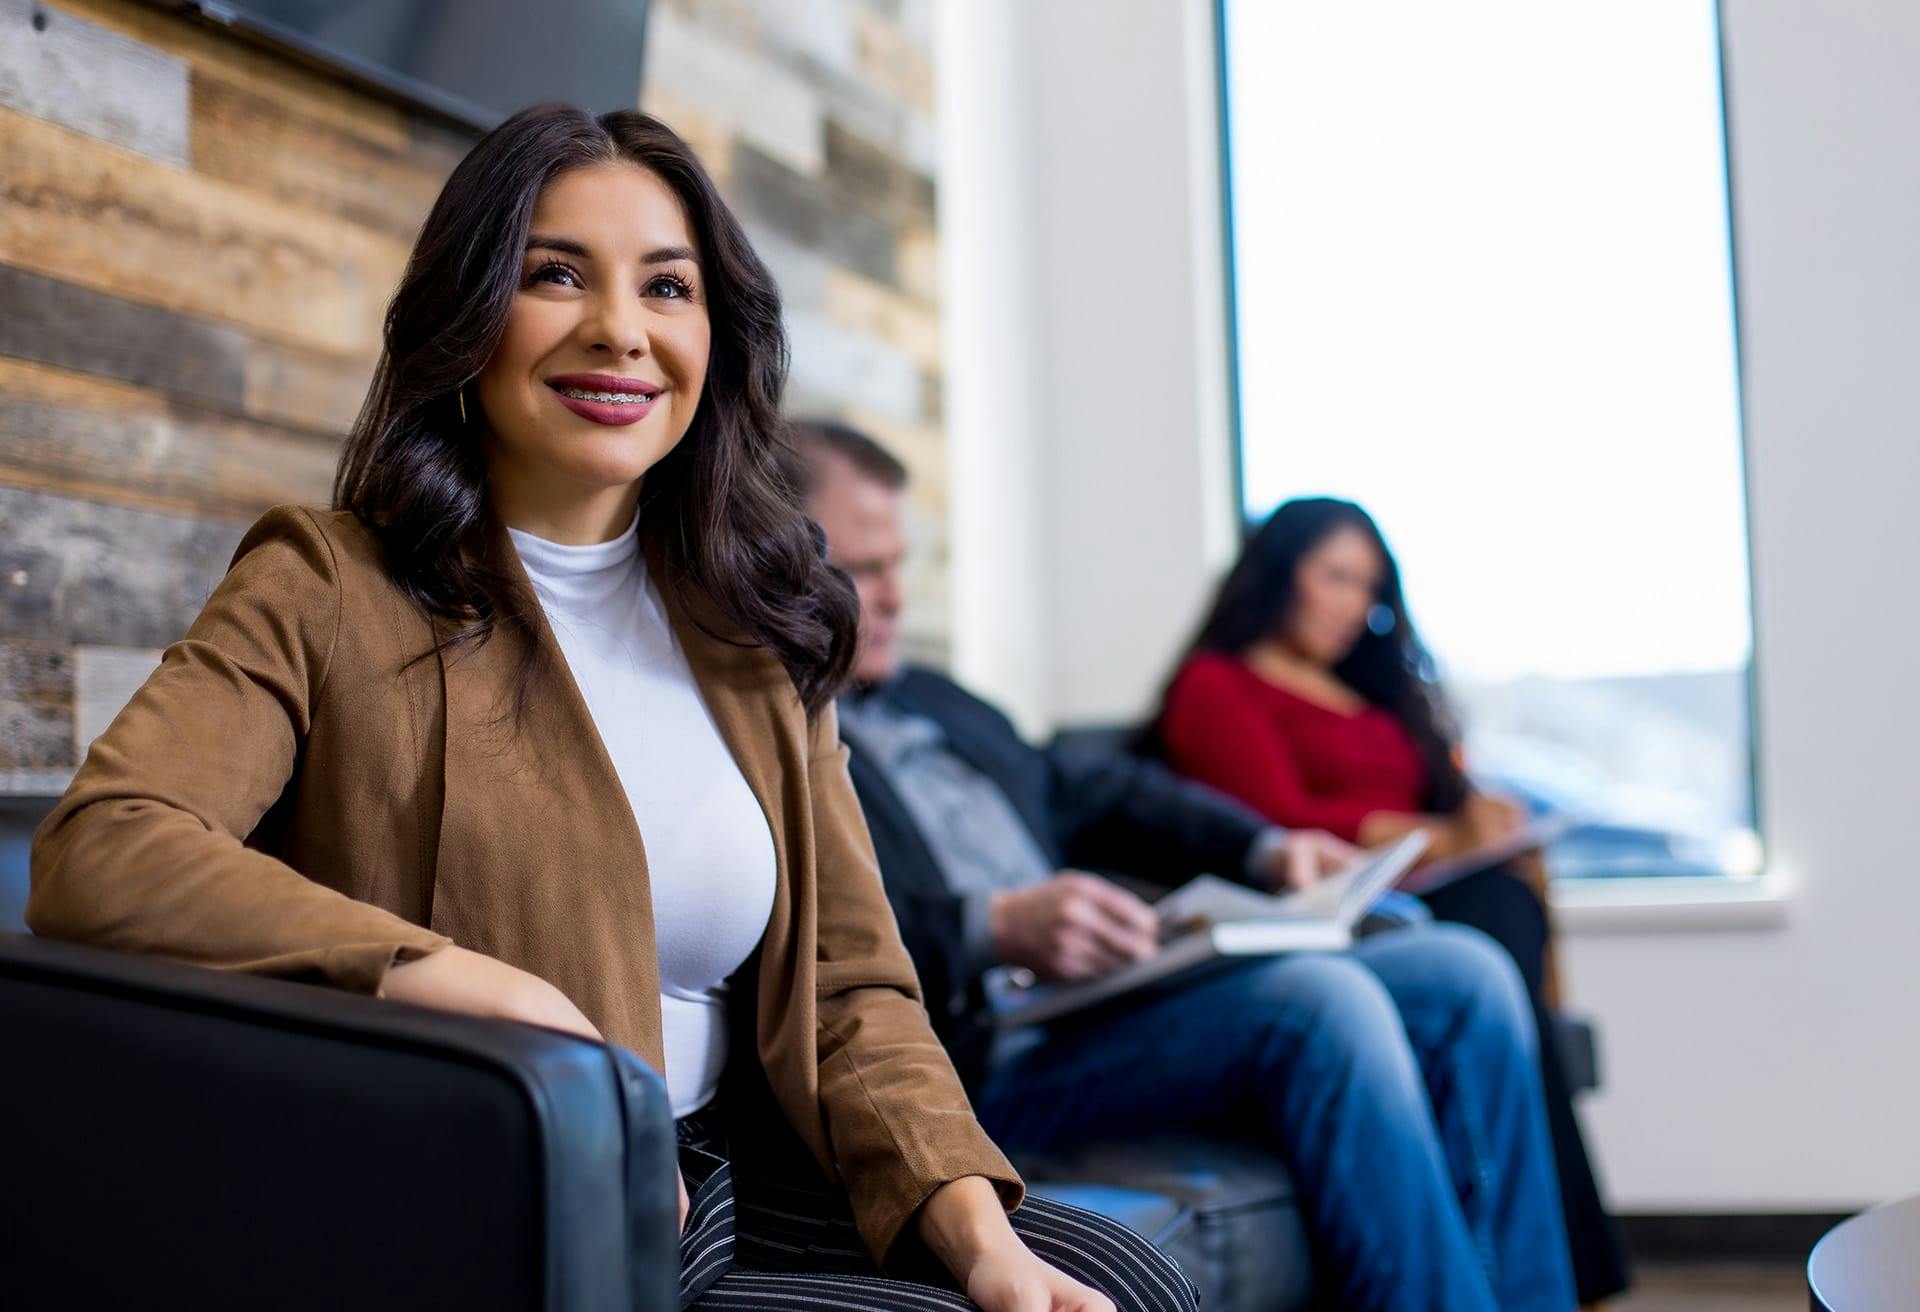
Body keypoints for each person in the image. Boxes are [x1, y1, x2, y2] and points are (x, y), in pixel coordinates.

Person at [26, 106, 1198, 1312]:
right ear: (469, 314)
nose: (620, 332)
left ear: (714, 334)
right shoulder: (327, 582)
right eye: (555, 274)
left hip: (738, 1168)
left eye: (666, 288)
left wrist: (977, 1235)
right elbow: (104, 849)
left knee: (1129, 1278)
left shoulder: (753, 621)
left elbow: (854, 988)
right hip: (521, 1185)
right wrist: (473, 987)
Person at [793, 420, 1579, 1312]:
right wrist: (996, 925)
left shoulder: (944, 702)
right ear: (777, 564)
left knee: (1462, 971)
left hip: (1096, 1006)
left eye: (900, 564)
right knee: (1322, 999)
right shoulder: (775, 740)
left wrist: (1263, 845)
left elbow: (1101, 786)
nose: (896, 596)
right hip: (987, 1054)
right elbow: (818, 942)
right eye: (863, 570)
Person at [1146, 495, 1632, 1304]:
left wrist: (1478, 816)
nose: (1352, 606)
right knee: (1487, 936)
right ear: (1278, 572)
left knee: (1500, 911)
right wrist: (1425, 836)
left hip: (1427, 903)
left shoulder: (1374, 694)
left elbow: (1442, 798)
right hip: (1326, 922)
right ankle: (1572, 1279)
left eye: (1367, 588)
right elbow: (1265, 821)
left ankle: (1554, 1278)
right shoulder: (1217, 685)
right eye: (1334, 577)